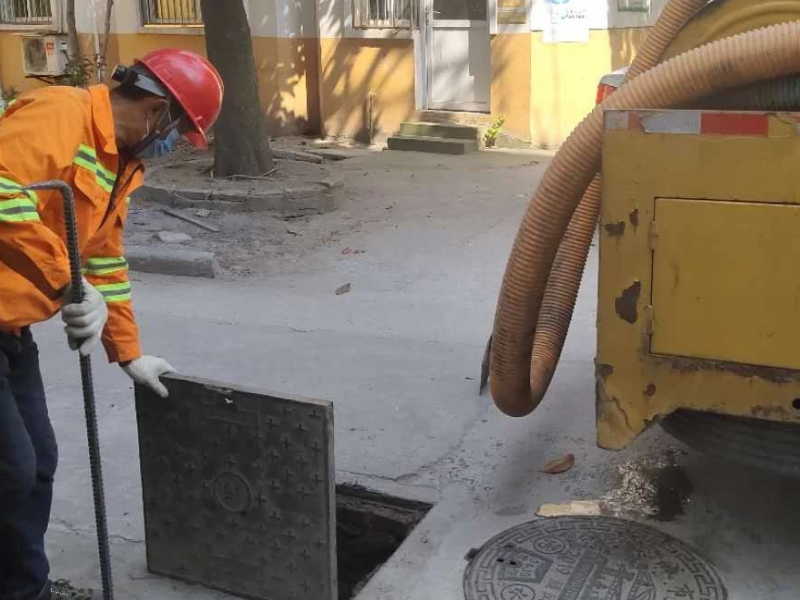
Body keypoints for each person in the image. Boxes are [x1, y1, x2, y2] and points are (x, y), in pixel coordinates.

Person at [0, 49, 224, 600]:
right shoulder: (60, 112)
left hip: (11, 330)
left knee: (38, 466)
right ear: (155, 110)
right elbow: (3, 193)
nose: (172, 145)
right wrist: (65, 282)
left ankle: (24, 587)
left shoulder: (120, 162)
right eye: (177, 130)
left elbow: (103, 261)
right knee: (11, 471)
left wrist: (128, 352)